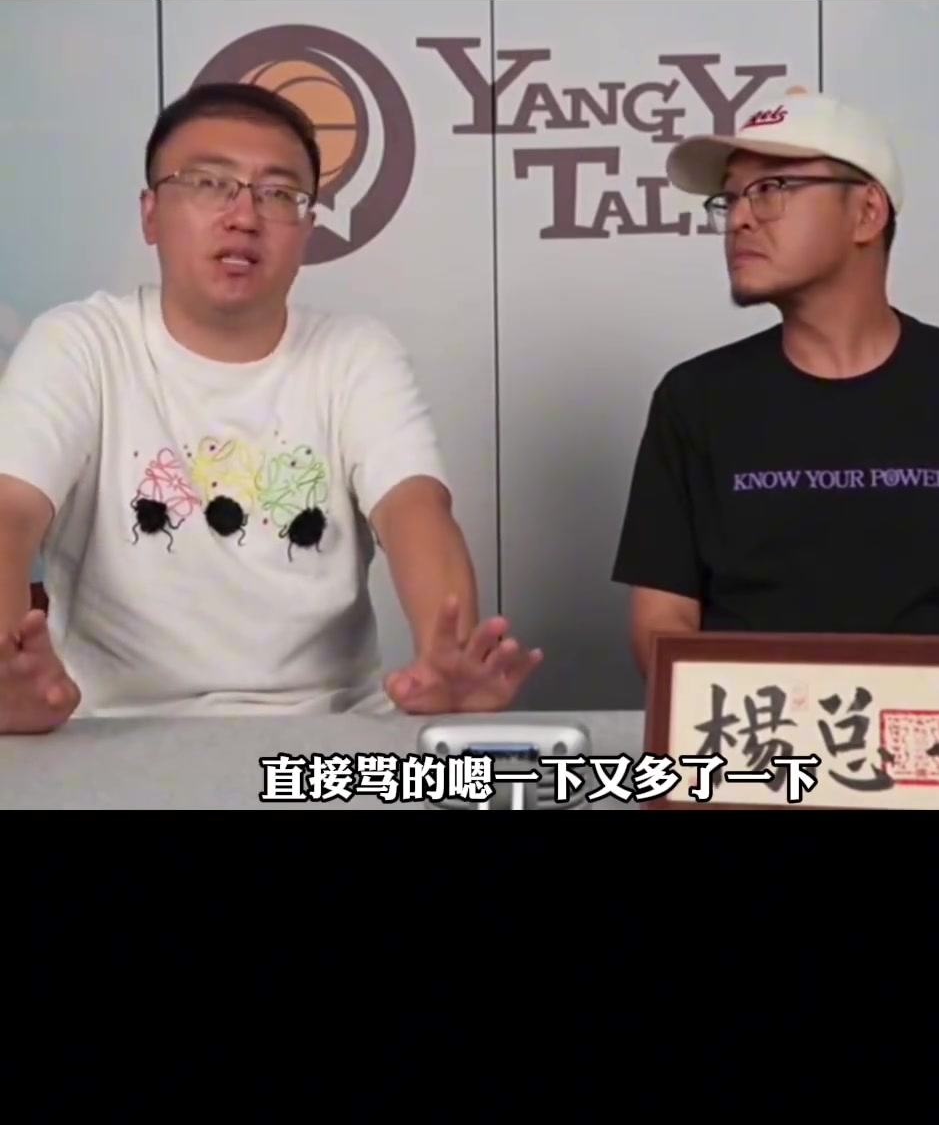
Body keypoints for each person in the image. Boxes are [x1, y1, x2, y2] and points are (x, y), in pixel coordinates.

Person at [0, 82, 541, 733]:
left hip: (328, 733)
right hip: (115, 732)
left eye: (279, 194)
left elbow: (415, 509)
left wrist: (445, 653)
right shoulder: (81, 344)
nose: (243, 216)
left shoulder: (354, 352)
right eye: (208, 184)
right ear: (150, 214)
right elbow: (10, 512)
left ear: (307, 228)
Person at [613, 86, 939, 675]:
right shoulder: (694, 399)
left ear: (867, 212)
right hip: (758, 733)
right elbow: (662, 624)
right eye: (729, 198)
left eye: (771, 189)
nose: (739, 219)